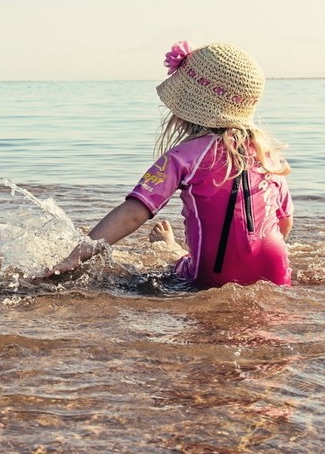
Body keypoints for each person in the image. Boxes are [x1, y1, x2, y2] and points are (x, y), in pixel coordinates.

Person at [50, 41, 293, 288]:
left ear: (187, 104)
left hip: (213, 275)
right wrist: (249, 256)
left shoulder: (184, 156)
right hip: (277, 271)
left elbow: (133, 214)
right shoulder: (268, 156)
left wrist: (76, 256)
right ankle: (177, 248)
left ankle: (170, 246)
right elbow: (284, 222)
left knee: (178, 266)